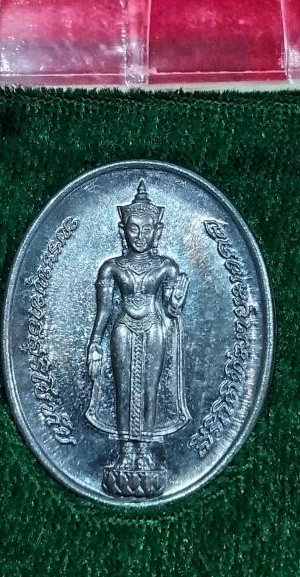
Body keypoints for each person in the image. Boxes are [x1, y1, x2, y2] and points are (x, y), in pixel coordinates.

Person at [85, 180, 190, 496]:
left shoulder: (167, 267)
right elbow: (104, 311)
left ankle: (143, 450)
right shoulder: (111, 268)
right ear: (123, 230)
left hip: (154, 327)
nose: (140, 235)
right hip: (122, 327)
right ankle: (126, 451)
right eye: (134, 229)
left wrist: (177, 300)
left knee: (149, 389)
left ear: (157, 231)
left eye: (147, 229)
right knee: (124, 389)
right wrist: (95, 343)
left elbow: (170, 308)